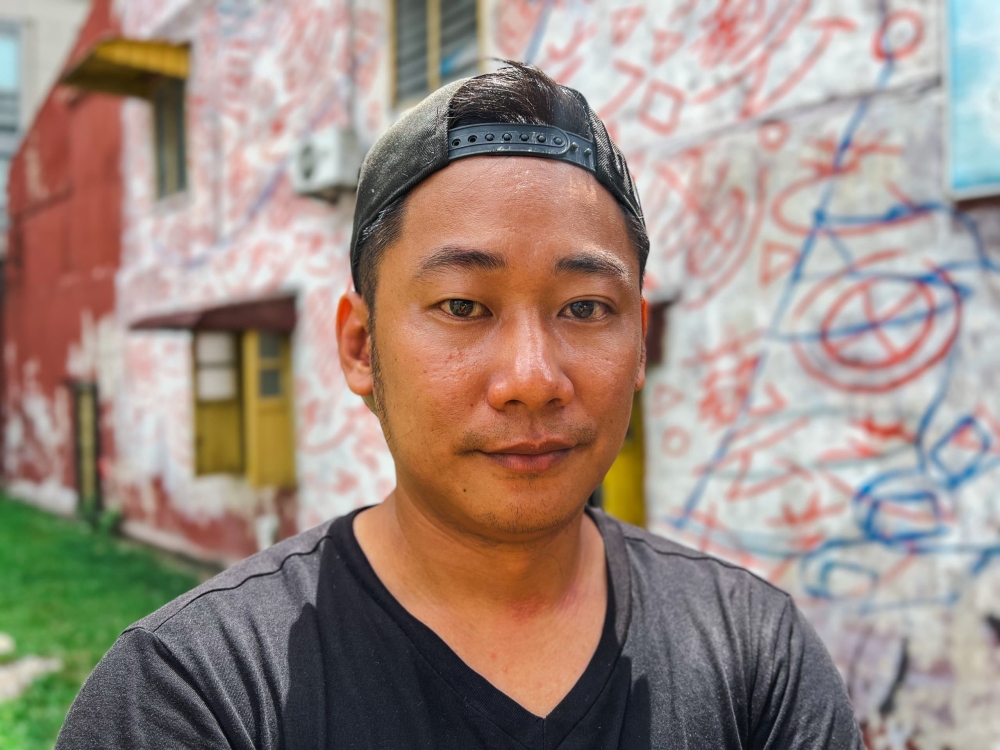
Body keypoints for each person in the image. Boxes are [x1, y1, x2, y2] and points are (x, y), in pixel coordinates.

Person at [56, 63, 863, 749]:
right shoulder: (197, 693)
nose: (532, 378)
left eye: (584, 308)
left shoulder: (754, 658)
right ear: (362, 347)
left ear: (641, 340)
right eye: (463, 306)